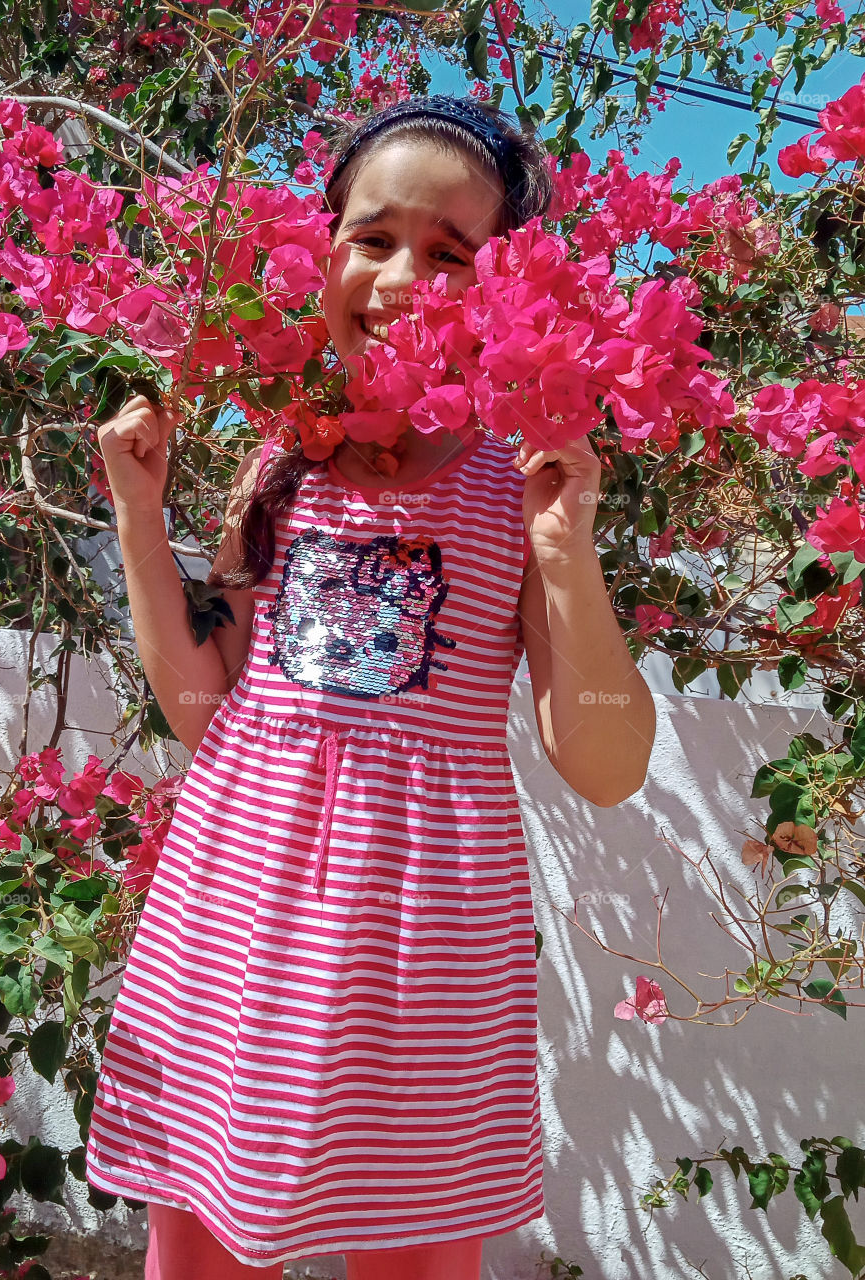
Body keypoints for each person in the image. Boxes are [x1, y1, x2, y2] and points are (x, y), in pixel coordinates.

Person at [85, 94, 656, 1280]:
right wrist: (142, 520)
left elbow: (605, 763)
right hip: (234, 927)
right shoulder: (279, 460)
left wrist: (565, 550)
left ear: (504, 290)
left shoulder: (521, 482)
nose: (403, 277)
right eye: (373, 237)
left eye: (452, 254)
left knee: (412, 1243)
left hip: (419, 954)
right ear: (324, 248)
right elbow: (207, 710)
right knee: (200, 1241)